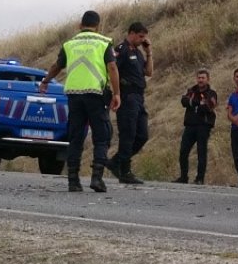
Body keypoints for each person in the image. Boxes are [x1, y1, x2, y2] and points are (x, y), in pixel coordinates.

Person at [38, 10, 120, 193]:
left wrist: (44, 82)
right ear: (98, 26)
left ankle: (73, 180)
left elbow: (56, 66)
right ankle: (97, 178)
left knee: (75, 137)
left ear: (80, 25)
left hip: (74, 96)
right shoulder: (104, 42)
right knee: (102, 136)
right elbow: (112, 67)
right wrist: (116, 93)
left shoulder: (70, 44)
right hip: (96, 94)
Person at [111, 22, 153, 184]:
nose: (143, 40)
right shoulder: (121, 50)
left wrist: (149, 53)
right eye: (141, 36)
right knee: (128, 134)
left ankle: (116, 161)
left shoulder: (138, 52)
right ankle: (125, 171)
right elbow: (112, 70)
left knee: (142, 135)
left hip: (139, 97)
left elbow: (148, 72)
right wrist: (116, 93)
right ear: (132, 33)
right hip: (127, 96)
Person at [174, 68, 217, 184]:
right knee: (183, 151)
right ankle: (183, 177)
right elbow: (183, 101)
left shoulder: (211, 93)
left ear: (208, 79)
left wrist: (193, 103)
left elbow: (209, 106)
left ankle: (199, 178)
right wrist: (198, 103)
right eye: (199, 77)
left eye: (203, 78)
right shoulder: (191, 90)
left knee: (201, 152)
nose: (200, 80)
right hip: (190, 125)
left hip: (204, 126)